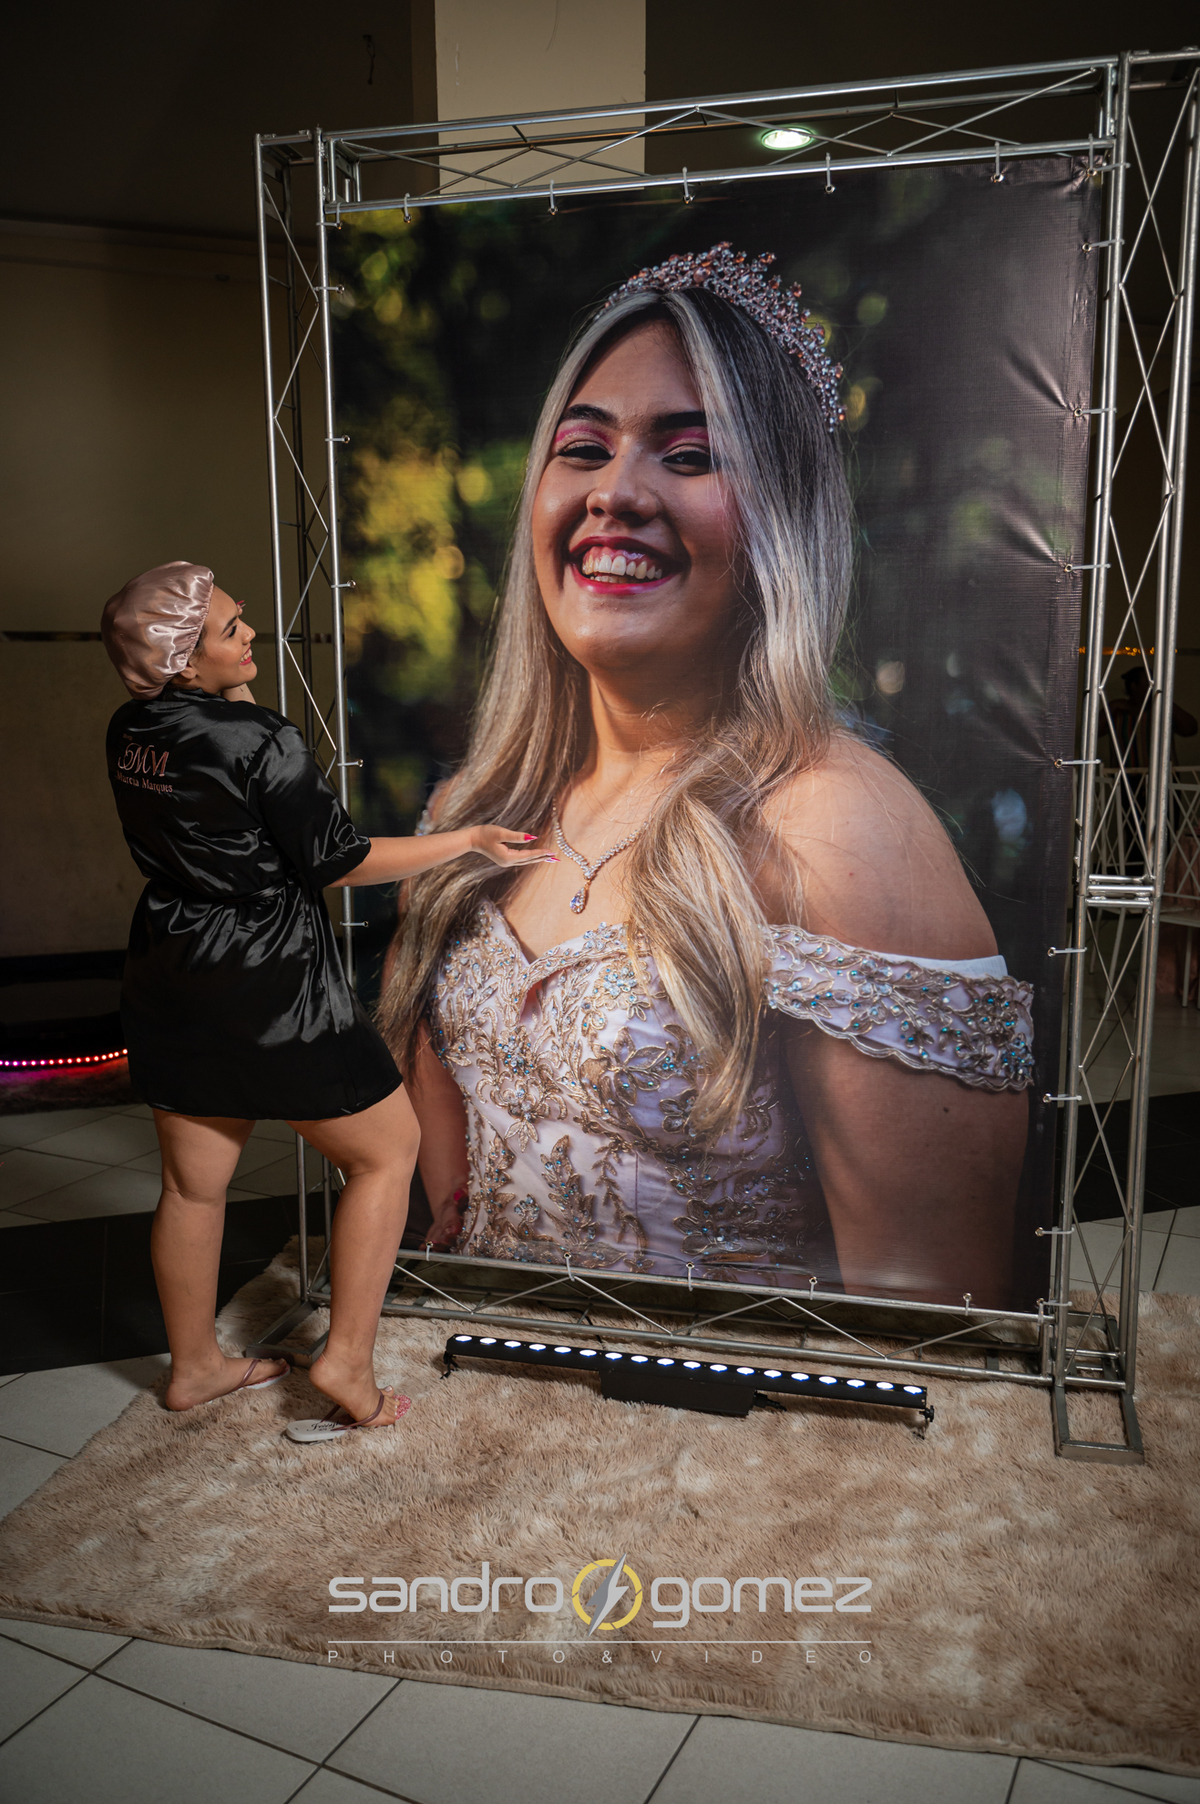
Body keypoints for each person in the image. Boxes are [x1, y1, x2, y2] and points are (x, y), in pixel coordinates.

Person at [379, 244, 1034, 1312]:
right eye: (583, 449)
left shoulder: (837, 827)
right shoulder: (473, 809)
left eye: (689, 456)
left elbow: (929, 1331)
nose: (615, 493)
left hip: (719, 1413)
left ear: (781, 516)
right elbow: (443, 1173)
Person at [102, 562, 547, 1437]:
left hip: (172, 971)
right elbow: (339, 861)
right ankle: (345, 1359)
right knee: (388, 1152)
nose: (250, 634)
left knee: (192, 1188)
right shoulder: (262, 740)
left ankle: (194, 1369)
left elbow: (215, 803)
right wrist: (468, 841)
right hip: (270, 980)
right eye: (230, 629)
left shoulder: (130, 730)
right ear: (184, 661)